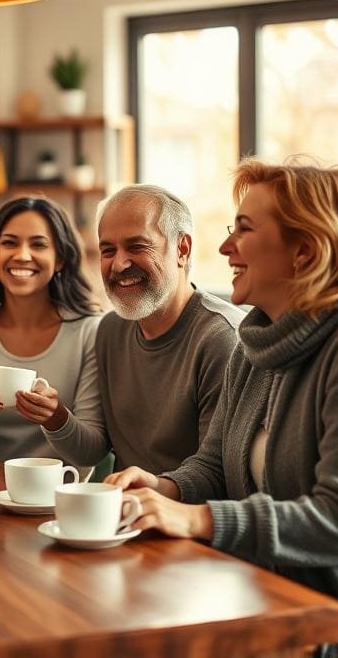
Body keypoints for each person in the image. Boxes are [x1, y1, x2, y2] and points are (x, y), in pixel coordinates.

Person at [106, 160, 338, 657]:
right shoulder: (257, 341)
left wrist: (195, 520)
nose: (224, 248)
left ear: (304, 250)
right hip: (260, 603)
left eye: (244, 229)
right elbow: (215, 465)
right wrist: (163, 487)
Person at [0, 196, 105, 469]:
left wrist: (56, 417)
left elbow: (92, 452)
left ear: (60, 260)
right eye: (9, 242)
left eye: (38, 244)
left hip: (61, 494)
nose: (21, 255)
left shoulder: (90, 331)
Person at [96, 185, 242, 474]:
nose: (119, 263)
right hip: (120, 509)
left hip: (187, 515)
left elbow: (218, 474)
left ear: (182, 249)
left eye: (137, 246)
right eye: (107, 250)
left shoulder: (223, 339)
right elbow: (96, 445)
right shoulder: (109, 331)